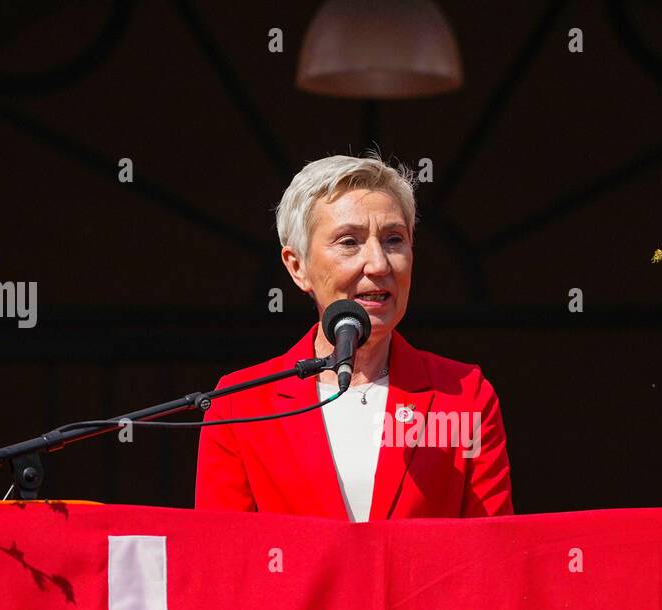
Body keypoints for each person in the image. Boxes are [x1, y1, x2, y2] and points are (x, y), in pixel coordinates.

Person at [195, 151, 513, 520]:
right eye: (349, 241)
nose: (378, 264)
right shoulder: (240, 406)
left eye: (394, 239)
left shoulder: (463, 395)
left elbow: (492, 559)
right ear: (298, 267)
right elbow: (224, 563)